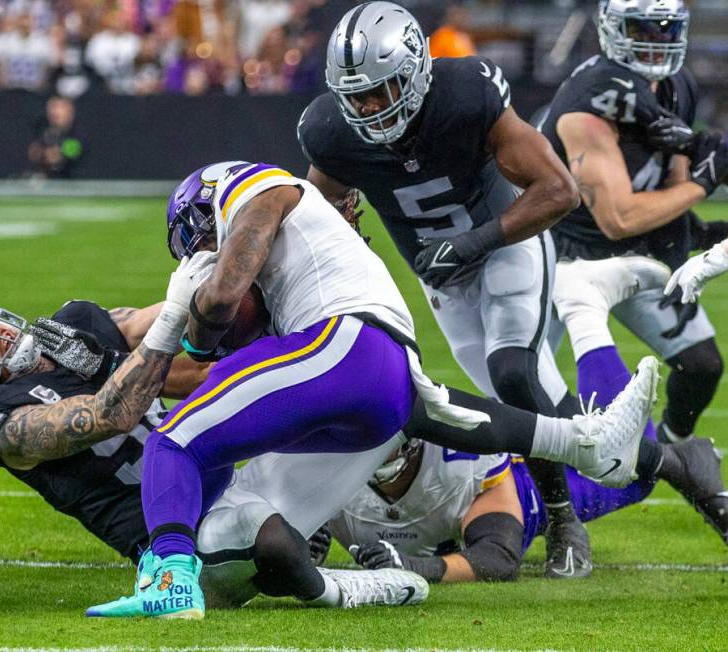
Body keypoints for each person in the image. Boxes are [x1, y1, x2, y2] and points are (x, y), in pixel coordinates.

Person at [85, 160, 658, 619]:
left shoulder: (250, 187)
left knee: (174, 441)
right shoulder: (305, 262)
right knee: (228, 544)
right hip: (387, 378)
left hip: (344, 341)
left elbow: (220, 298)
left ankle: (167, 581)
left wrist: (194, 324)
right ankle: (587, 443)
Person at [298, 1, 591, 578]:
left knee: (512, 376)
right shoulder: (330, 131)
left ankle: (564, 520)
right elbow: (322, 208)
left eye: (382, 90)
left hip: (508, 245)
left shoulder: (464, 95)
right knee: (525, 415)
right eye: (356, 95)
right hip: (444, 283)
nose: (369, 107)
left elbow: (558, 191)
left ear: (417, 71)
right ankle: (656, 457)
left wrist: (472, 242)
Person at [0, 293, 431, 611]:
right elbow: (109, 415)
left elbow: (178, 328)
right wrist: (110, 357)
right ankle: (343, 590)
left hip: (234, 478)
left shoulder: (68, 328)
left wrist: (230, 275)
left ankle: (512, 447)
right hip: (183, 541)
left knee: (384, 409)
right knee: (266, 540)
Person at [539, 0, 728, 456]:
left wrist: (688, 228)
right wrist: (704, 185)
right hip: (556, 258)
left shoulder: (675, 83)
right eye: (643, 29)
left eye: (666, 30)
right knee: (525, 384)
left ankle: (674, 452)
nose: (656, 41)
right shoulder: (591, 103)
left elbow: (674, 177)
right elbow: (618, 217)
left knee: (701, 365)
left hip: (633, 256)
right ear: (612, 30)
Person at [324, 428, 728, 584]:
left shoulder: (462, 462)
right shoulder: (316, 461)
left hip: (523, 486)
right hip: (441, 531)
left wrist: (413, 568)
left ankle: (681, 456)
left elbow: (498, 557)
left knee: (624, 470)